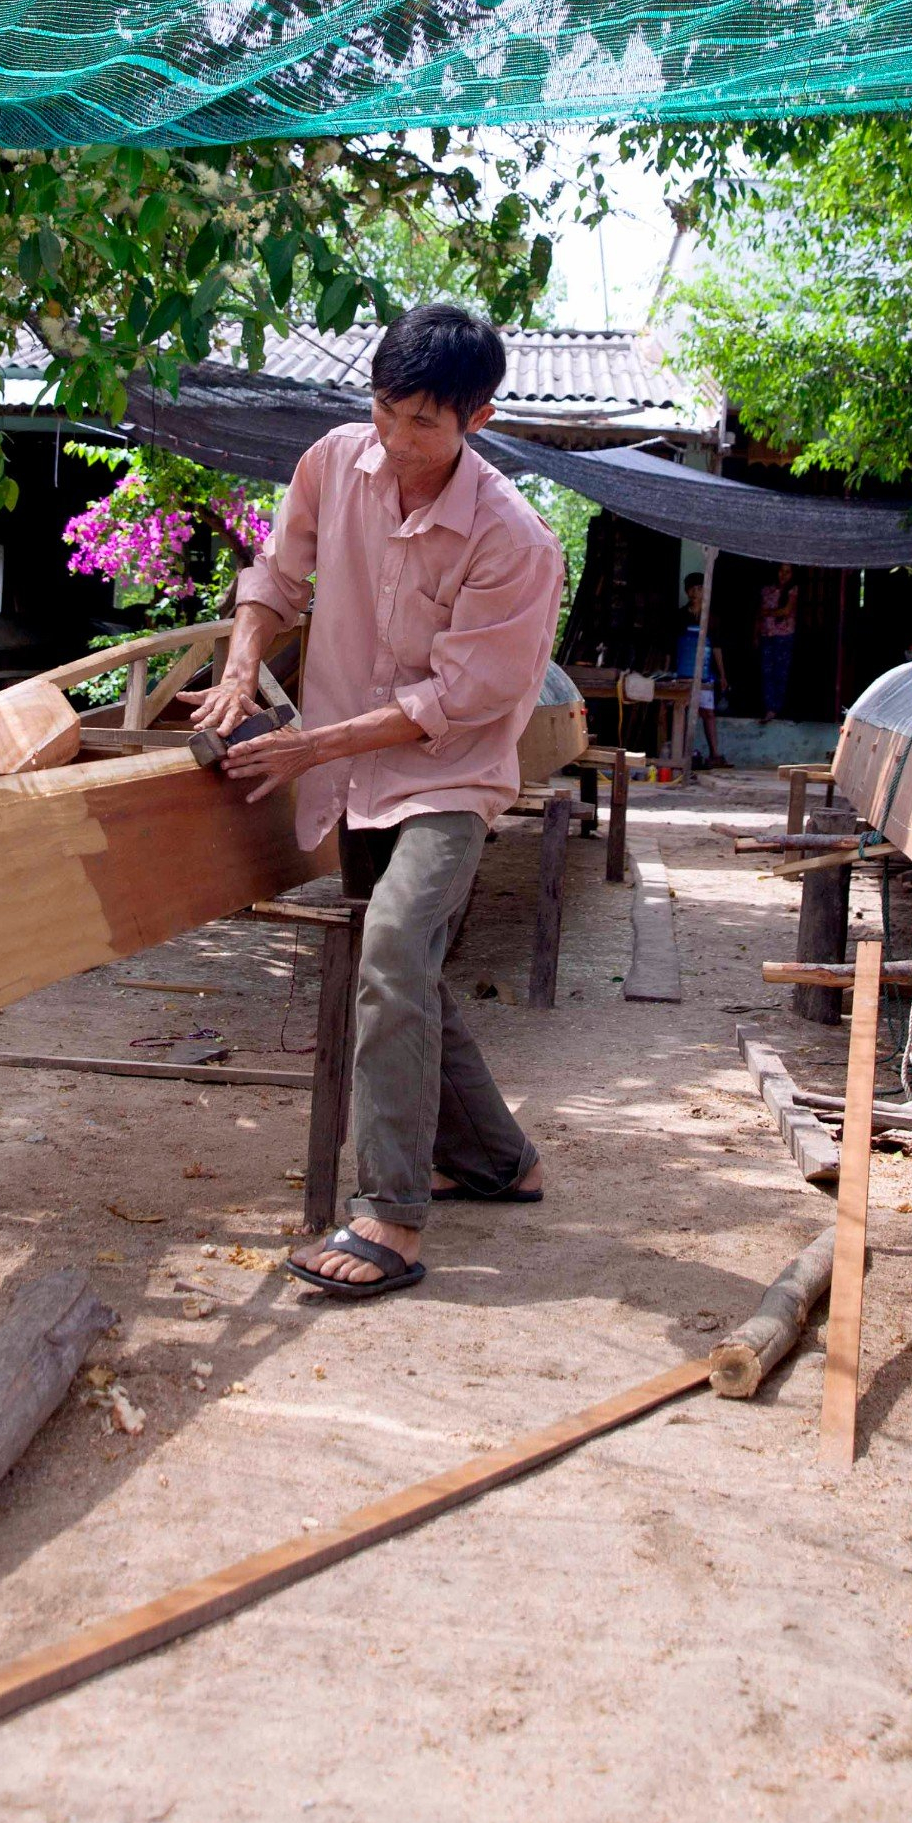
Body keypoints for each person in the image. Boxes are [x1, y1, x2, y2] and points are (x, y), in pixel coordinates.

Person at [183, 303, 563, 1302]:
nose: (395, 443)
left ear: (476, 419)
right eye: (385, 412)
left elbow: (454, 703)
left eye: (423, 426)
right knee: (408, 974)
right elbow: (276, 574)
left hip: (444, 779)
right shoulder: (330, 462)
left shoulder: (512, 541)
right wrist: (236, 670)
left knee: (393, 946)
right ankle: (497, 1161)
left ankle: (390, 1211)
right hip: (350, 775)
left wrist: (313, 741)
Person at [676, 572, 729, 767]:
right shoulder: (680, 616)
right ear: (688, 592)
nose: (697, 592)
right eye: (694, 589)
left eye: (701, 588)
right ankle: (682, 754)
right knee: (683, 711)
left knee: (708, 712)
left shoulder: (712, 619)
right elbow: (670, 647)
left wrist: (723, 675)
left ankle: (715, 754)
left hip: (706, 674)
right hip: (683, 672)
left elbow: (717, 647)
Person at [757, 564, 799, 722]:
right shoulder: (767, 589)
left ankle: (779, 708)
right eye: (781, 571)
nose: (784, 575)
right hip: (766, 634)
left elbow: (786, 611)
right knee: (767, 672)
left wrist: (767, 612)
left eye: (787, 572)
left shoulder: (792, 590)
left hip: (784, 636)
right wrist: (755, 634)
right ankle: (770, 708)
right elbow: (758, 613)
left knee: (781, 673)